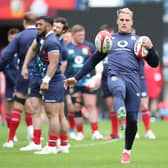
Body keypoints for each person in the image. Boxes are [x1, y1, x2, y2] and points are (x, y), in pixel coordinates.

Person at [64, 8, 159, 163]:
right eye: (121, 20)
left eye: (127, 20)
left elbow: (154, 63)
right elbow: (93, 60)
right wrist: (76, 77)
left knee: (133, 121)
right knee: (118, 88)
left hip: (134, 83)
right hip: (115, 76)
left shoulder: (139, 41)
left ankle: (127, 151)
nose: (124, 22)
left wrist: (151, 47)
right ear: (117, 21)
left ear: (131, 22)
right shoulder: (108, 40)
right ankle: (120, 114)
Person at [21, 16, 69, 154]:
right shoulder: (42, 38)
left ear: (48, 25)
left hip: (53, 81)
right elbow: (33, 48)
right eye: (36, 24)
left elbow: (54, 64)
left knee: (52, 115)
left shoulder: (52, 41)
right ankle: (63, 145)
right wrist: (25, 66)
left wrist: (46, 80)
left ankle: (52, 146)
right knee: (58, 115)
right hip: (52, 80)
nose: (37, 27)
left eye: (40, 25)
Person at [0, 12, 37, 148]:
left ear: (24, 22)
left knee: (19, 105)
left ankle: (10, 140)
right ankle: (41, 140)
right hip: (41, 74)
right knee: (39, 107)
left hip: (24, 72)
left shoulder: (20, 36)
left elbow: (6, 55)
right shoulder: (43, 35)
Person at [65, 24, 103, 140]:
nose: (82, 37)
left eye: (83, 34)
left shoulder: (90, 47)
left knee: (90, 105)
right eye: (79, 35)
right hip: (73, 81)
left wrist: (98, 76)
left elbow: (97, 61)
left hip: (87, 80)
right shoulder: (67, 48)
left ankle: (95, 131)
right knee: (76, 107)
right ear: (73, 35)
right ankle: (80, 132)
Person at [98, 24, 120, 140]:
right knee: (111, 107)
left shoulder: (119, 45)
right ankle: (114, 133)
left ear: (112, 33)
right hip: (105, 80)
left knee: (122, 106)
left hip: (119, 79)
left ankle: (130, 130)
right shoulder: (100, 47)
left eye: (106, 33)